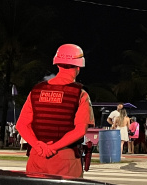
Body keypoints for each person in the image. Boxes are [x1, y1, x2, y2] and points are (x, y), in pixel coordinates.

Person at [16, 44, 94, 177]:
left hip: (37, 155)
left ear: (57, 64)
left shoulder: (36, 91)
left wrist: (38, 146)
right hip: (65, 158)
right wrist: (53, 148)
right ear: (79, 66)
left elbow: (21, 125)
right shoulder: (80, 94)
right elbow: (80, 130)